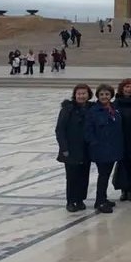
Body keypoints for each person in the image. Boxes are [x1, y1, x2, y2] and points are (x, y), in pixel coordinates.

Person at [84, 84, 123, 213]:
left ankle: (103, 198)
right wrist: (95, 143)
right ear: (98, 96)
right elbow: (88, 130)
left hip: (113, 148)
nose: (104, 97)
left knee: (106, 175)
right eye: (101, 94)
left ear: (111, 95)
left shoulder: (114, 108)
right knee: (103, 175)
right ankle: (100, 201)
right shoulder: (94, 111)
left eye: (107, 94)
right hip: (101, 149)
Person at [56, 83, 93, 212]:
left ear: (88, 95)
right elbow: (60, 130)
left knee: (84, 175)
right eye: (79, 93)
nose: (81, 96)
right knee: (72, 176)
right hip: (71, 149)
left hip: (86, 148)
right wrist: (64, 148)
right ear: (75, 95)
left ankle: (80, 199)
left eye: (84, 93)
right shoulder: (67, 109)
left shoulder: (91, 108)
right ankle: (71, 201)